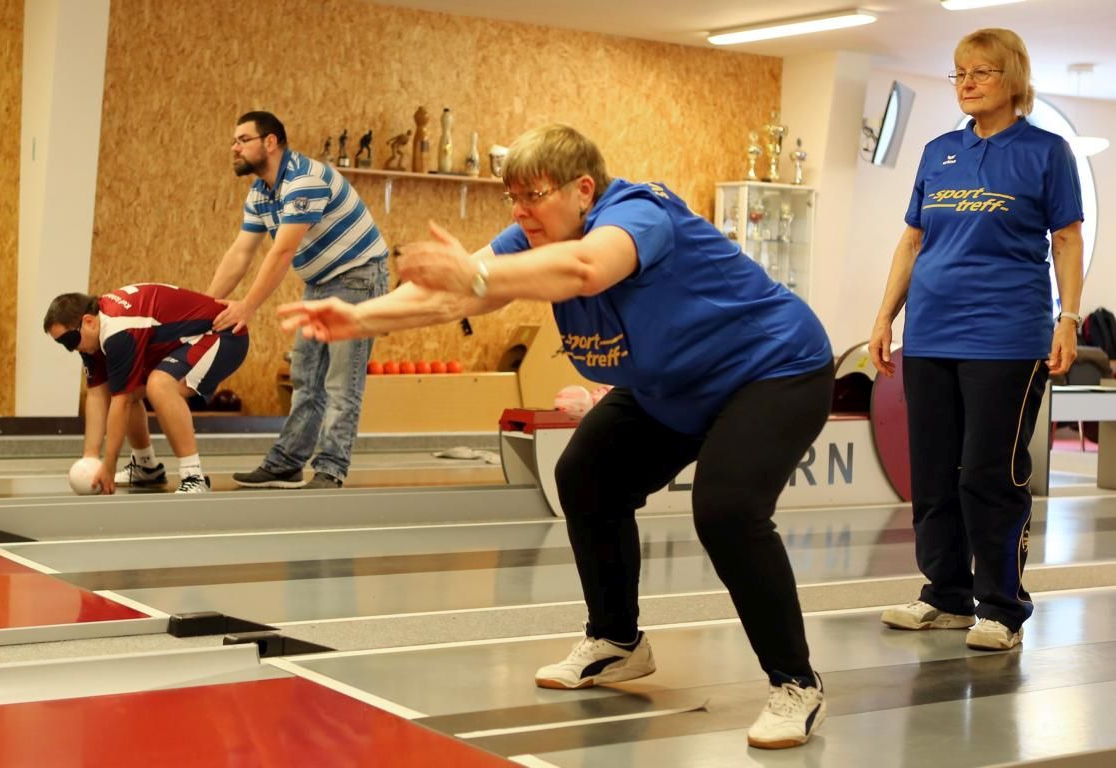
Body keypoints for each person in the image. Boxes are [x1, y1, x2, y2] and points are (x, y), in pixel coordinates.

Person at [278, 124, 835, 749]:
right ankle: (617, 641)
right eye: (511, 198)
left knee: (729, 510)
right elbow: (449, 297)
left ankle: (796, 684)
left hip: (772, 368)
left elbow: (585, 270)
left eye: (532, 195)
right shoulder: (529, 236)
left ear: (583, 190)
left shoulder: (639, 213)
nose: (519, 212)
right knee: (586, 477)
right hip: (674, 386)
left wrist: (479, 277)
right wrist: (358, 317)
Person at [870, 28, 1084, 652]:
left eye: (981, 73)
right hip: (930, 334)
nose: (965, 82)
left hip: (1007, 339)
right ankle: (945, 596)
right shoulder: (939, 151)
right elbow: (913, 240)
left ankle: (1002, 608)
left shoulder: (1046, 152)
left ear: (1013, 79)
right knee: (933, 474)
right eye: (959, 73)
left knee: (989, 474)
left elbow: (1066, 239)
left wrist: (1068, 317)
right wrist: (885, 316)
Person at [210, 111, 389, 490]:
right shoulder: (261, 191)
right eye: (234, 141)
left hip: (358, 278)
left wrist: (248, 306)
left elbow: (282, 251)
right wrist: (207, 304)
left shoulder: (304, 181)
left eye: (243, 139)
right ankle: (287, 462)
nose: (234, 147)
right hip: (320, 282)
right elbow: (241, 253)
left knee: (342, 382)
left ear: (270, 142)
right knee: (305, 377)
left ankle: (331, 469)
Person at [43, 284, 248, 495]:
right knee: (128, 389)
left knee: (159, 385)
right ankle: (146, 465)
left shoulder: (118, 331)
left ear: (88, 321)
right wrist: (90, 458)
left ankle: (193, 476)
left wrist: (109, 465)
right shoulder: (91, 336)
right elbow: (97, 394)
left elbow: (119, 403)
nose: (71, 348)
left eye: (70, 341)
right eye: (64, 344)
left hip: (224, 335)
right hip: (186, 341)